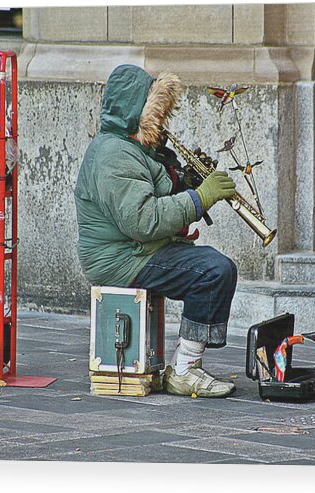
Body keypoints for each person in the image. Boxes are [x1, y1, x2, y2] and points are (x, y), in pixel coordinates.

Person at [74, 64, 238, 398]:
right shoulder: (113, 154)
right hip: (121, 259)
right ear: (136, 112)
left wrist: (189, 186)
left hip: (135, 249)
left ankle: (184, 365)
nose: (162, 121)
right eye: (156, 113)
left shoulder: (134, 148)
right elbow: (142, 220)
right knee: (214, 271)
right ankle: (184, 371)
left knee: (213, 267)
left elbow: (154, 197)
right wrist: (199, 198)